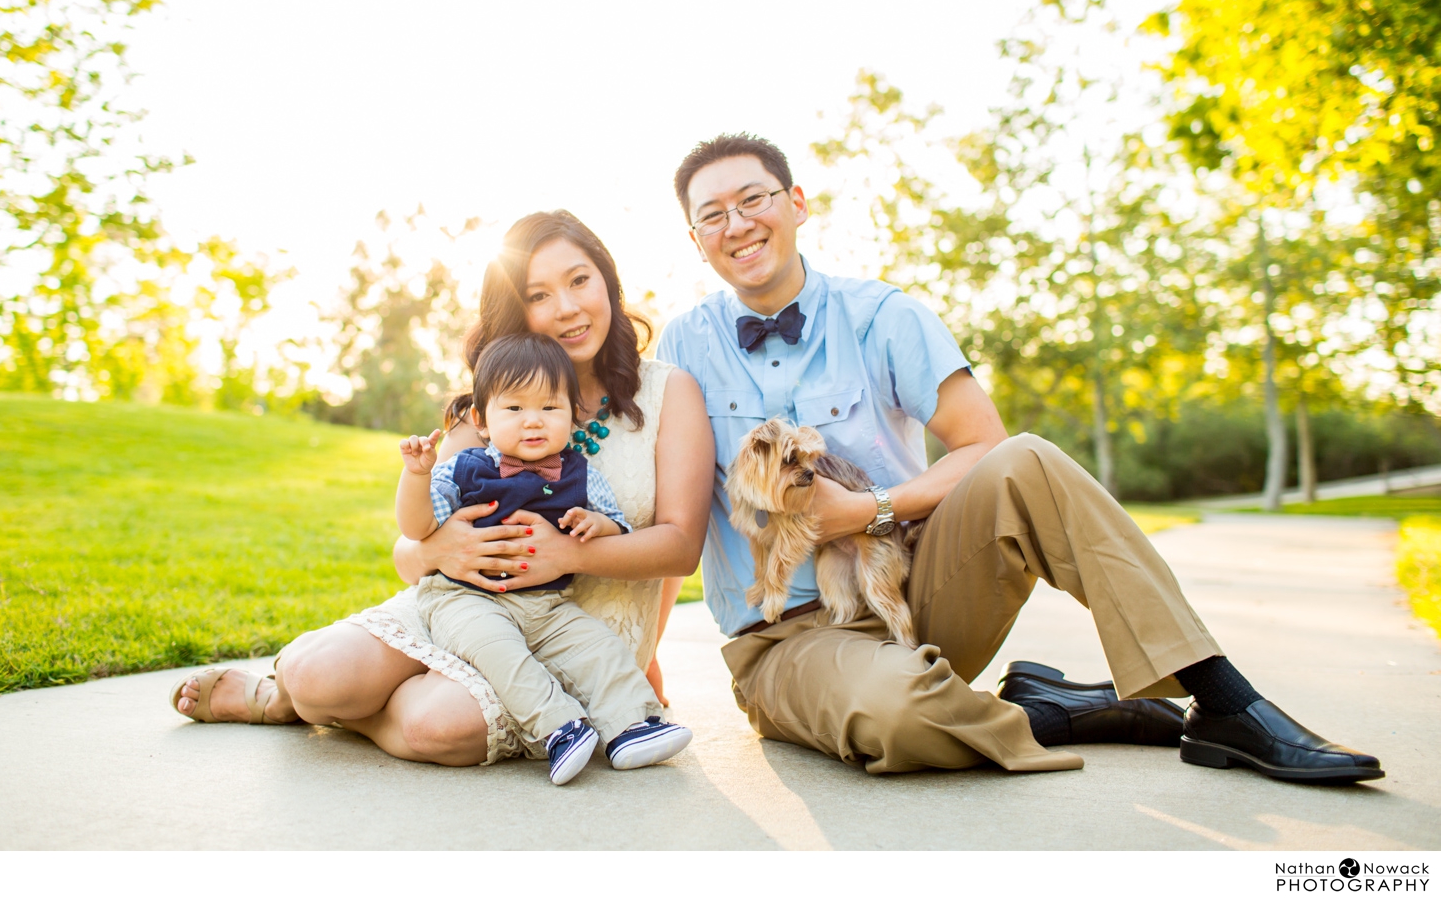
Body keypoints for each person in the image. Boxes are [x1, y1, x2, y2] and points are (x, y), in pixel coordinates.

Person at [656, 132, 1383, 783]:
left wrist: (870, 509)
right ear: (696, 240)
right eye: (712, 215)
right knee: (898, 718)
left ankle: (1225, 702)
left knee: (1025, 459)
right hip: (788, 638)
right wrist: (635, 663)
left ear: (797, 204)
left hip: (913, 584)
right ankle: (1063, 711)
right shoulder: (684, 348)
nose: (738, 224)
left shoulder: (885, 315)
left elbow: (982, 445)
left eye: (754, 199)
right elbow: (671, 514)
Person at [171, 211, 714, 769]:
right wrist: (439, 550)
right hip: (460, 605)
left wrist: (574, 553)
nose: (568, 307)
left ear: (608, 280)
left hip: (578, 633)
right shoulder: (490, 408)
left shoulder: (669, 392)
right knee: (317, 675)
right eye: (539, 294)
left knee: (437, 726)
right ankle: (292, 697)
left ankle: (338, 708)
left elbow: (681, 546)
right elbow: (408, 551)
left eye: (580, 280)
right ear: (518, 310)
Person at [399, 332, 692, 784]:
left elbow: (617, 522)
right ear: (481, 418)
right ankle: (558, 728)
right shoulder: (465, 467)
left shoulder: (580, 472)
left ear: (572, 416)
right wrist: (415, 477)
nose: (532, 422)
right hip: (466, 599)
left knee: (597, 648)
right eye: (514, 408)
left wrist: (599, 528)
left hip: (547, 604)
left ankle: (634, 724)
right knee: (498, 651)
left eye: (549, 408)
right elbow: (417, 528)